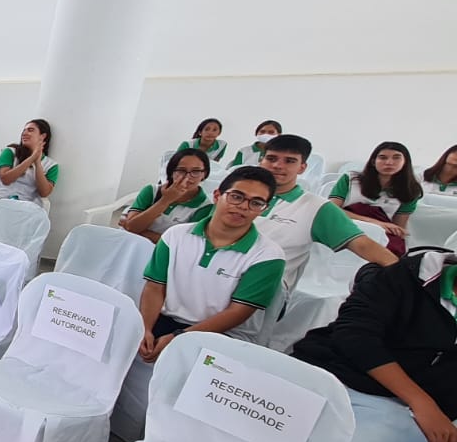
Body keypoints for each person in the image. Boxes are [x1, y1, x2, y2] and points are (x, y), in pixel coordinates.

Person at [292, 247, 457, 442]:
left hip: (400, 410)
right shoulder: (409, 274)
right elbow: (354, 334)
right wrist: (421, 401)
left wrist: (430, 408)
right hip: (332, 373)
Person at [136, 167, 286, 362]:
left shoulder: (268, 255)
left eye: (256, 203)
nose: (243, 206)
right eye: (236, 197)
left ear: (265, 209)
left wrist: (179, 338)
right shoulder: (176, 235)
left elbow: (238, 312)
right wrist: (145, 328)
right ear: (217, 196)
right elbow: (155, 287)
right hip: (166, 321)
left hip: (222, 334)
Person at [255, 134, 397, 294]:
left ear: (302, 167)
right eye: (271, 158)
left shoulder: (315, 207)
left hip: (263, 292)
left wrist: (406, 277)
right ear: (261, 161)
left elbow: (364, 245)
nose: (278, 165)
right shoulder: (239, 197)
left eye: (290, 161)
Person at [328, 141, 422, 256]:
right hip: (346, 226)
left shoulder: (410, 189)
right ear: (373, 161)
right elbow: (332, 210)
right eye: (383, 158)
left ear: (405, 162)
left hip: (380, 235)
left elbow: (398, 227)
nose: (389, 162)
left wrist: (382, 228)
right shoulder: (350, 179)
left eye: (396, 158)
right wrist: (375, 223)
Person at [120, 148, 211, 242]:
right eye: (181, 170)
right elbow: (132, 227)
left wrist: (140, 231)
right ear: (171, 172)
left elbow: (181, 244)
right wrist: (166, 200)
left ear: (204, 174)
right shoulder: (151, 191)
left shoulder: (205, 207)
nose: (187, 177)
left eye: (196, 171)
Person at [0, 119, 57, 219]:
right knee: (9, 215)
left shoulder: (51, 165)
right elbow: (6, 179)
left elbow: (44, 192)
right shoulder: (10, 152)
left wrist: (37, 163)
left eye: (30, 130)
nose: (25, 133)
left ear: (43, 136)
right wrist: (31, 158)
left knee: (33, 218)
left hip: (24, 205)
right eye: (24, 130)